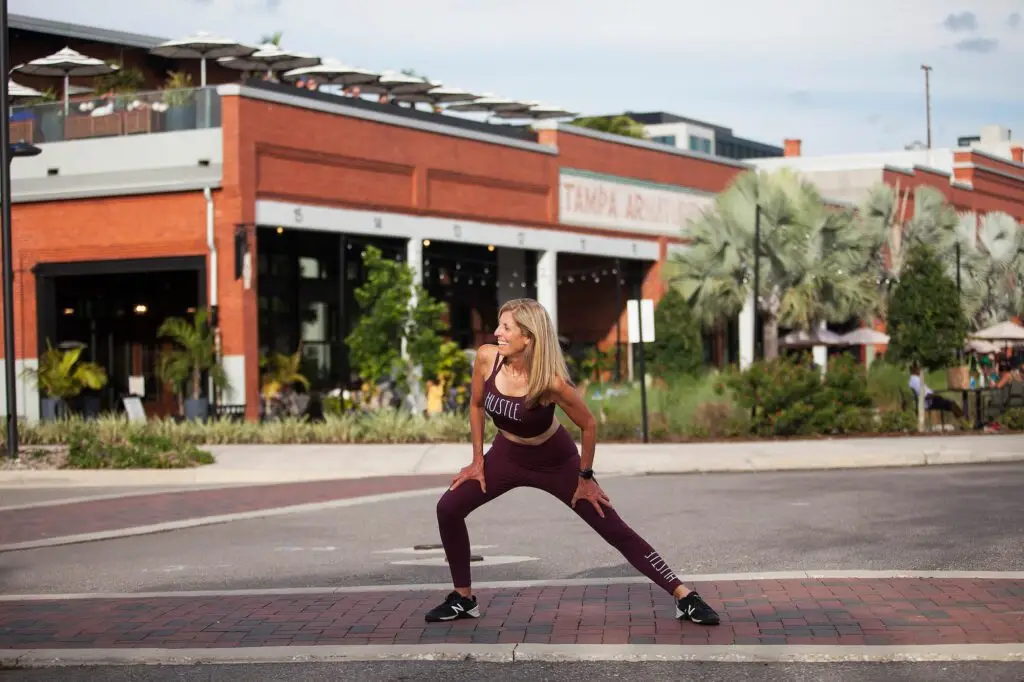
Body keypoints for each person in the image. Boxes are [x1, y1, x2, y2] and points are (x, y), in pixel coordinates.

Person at [425, 298, 721, 626]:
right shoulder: (486, 358)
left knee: (612, 527)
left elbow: (589, 425)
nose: (497, 333)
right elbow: (477, 405)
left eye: (506, 327)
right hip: (506, 454)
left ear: (529, 337)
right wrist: (477, 460)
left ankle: (684, 596)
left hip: (554, 459)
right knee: (448, 508)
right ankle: (463, 599)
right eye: (499, 325)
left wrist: (585, 477)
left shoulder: (551, 382)